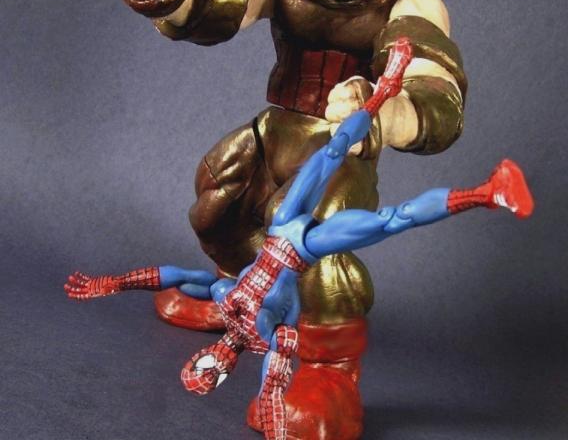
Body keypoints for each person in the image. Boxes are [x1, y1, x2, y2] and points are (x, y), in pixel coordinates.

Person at [116, 0, 467, 438]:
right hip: (277, 126)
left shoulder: (412, 3)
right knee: (219, 201)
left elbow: (435, 92)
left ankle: (332, 372)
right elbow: (190, 2)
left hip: (342, 148)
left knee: (317, 244)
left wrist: (381, 113)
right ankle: (241, 293)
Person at [66, 42, 533, 440]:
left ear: (200, 357)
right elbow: (277, 373)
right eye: (214, 376)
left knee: (333, 149)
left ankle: (385, 89)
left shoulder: (224, 295)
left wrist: (112, 283)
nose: (214, 363)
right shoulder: (271, 334)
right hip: (307, 245)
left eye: (202, 366)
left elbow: (171, 276)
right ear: (224, 375)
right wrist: (274, 414)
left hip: (281, 225)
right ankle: (489, 192)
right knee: (392, 220)